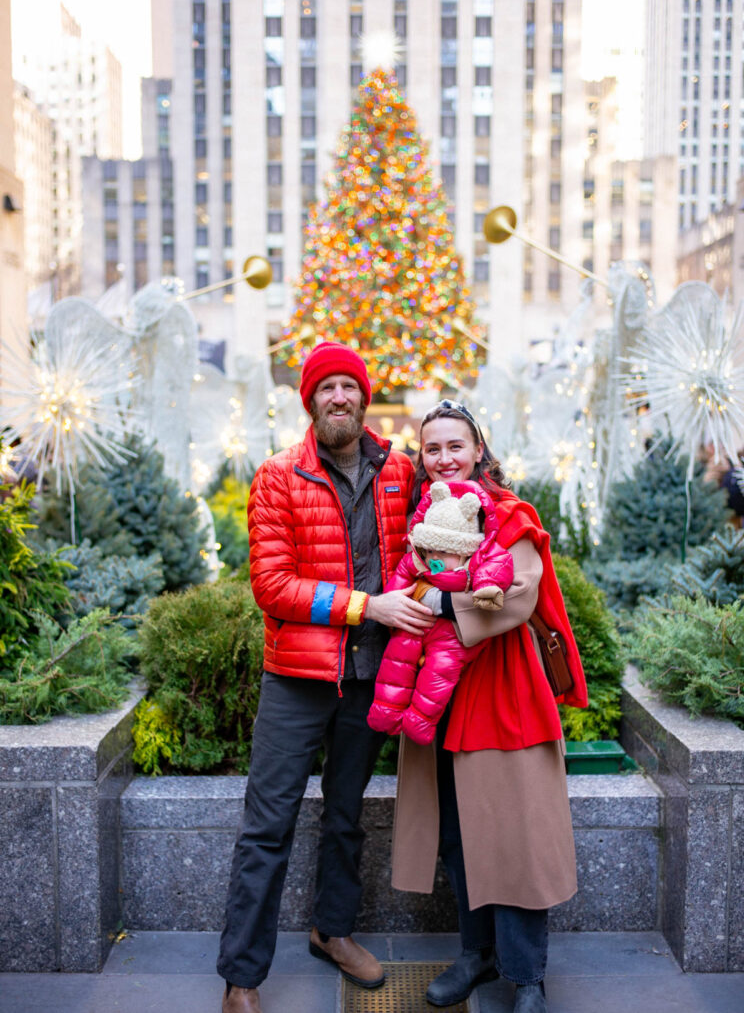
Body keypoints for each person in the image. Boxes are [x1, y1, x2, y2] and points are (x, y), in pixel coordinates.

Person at [216, 342, 435, 1013]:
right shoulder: (278, 477)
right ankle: (242, 976)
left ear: (364, 397)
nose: (339, 396)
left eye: (349, 385)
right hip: (297, 677)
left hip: (372, 675)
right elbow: (273, 586)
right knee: (268, 824)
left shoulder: (401, 471)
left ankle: (331, 930)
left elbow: (448, 523)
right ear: (308, 399)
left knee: (345, 818)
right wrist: (367, 606)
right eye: (326, 387)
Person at [389, 399, 588, 1013]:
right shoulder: (423, 519)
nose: (444, 458)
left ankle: (526, 977)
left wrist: (443, 605)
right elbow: (408, 582)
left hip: (504, 692)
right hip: (442, 692)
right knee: (457, 836)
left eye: (455, 446)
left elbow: (519, 601)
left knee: (515, 837)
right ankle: (476, 956)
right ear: (422, 459)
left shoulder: (508, 514)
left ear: (479, 450)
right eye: (432, 449)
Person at [367, 479, 514, 744]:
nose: (434, 557)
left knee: (439, 674)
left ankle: (419, 722)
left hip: (452, 635)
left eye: (444, 551)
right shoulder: (419, 559)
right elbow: (402, 575)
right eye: (430, 549)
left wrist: (487, 588)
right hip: (415, 621)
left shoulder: (479, 557)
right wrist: (392, 598)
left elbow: (496, 567)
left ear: (465, 549)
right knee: (397, 658)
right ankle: (386, 711)